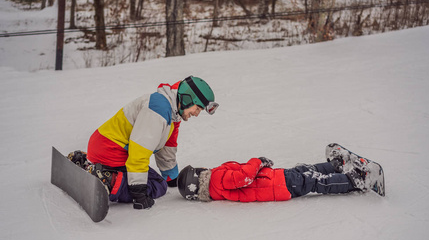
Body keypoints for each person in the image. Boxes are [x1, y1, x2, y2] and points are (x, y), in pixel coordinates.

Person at [69, 76, 219, 210]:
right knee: (155, 186)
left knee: (159, 181)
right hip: (112, 150)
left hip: (105, 146)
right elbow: (139, 148)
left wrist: (171, 177)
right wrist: (138, 190)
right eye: (197, 108)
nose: (197, 114)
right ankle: (107, 180)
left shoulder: (172, 115)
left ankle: (86, 164)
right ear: (188, 99)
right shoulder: (158, 110)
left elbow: (167, 148)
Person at [177, 144, 385, 202]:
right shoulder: (217, 179)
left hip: (275, 181)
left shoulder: (215, 190)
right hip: (277, 185)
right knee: (312, 181)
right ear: (199, 174)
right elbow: (244, 177)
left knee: (305, 172)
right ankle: (355, 181)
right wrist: (258, 161)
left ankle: (335, 166)